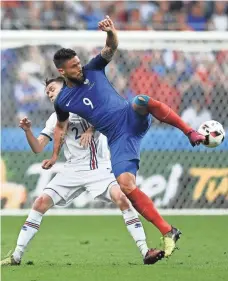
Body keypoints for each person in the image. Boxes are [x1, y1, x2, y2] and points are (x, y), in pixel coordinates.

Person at [42, 16, 205, 261]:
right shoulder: (63, 100)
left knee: (141, 99)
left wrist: (111, 31)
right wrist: (55, 154)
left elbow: (111, 47)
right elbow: (60, 127)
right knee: (126, 184)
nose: (79, 67)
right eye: (74, 66)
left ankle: (190, 132)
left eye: (78, 62)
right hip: (117, 139)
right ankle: (168, 231)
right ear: (61, 71)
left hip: (131, 118)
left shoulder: (93, 69)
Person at [1, 111, 161, 266]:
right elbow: (37, 148)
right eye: (48, 91)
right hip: (72, 170)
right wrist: (28, 131)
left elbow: (107, 116)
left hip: (98, 168)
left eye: (53, 89)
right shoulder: (55, 117)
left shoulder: (88, 104)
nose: (50, 94)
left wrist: (91, 129)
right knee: (40, 202)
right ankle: (16, 256)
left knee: (122, 198)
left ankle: (145, 251)